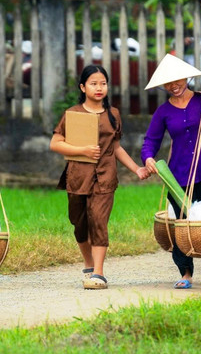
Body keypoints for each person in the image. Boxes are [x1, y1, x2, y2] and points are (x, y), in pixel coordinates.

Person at [51, 65, 149, 289]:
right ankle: (88, 264)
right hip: (78, 176)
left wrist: (137, 169)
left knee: (99, 220)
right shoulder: (72, 114)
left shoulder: (113, 114)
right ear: (83, 87)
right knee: (79, 222)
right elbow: (55, 143)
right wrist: (82, 151)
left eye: (103, 83)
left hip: (105, 176)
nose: (99, 88)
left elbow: (116, 147)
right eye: (93, 83)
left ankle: (99, 273)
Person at [141, 54, 201, 289]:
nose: (174, 86)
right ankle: (186, 273)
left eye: (177, 80)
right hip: (178, 176)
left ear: (186, 77)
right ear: (162, 86)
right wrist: (148, 158)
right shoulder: (163, 112)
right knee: (182, 224)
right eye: (168, 83)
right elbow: (150, 141)